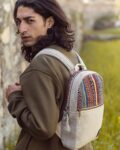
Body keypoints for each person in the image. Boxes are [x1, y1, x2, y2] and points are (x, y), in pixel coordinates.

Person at [5, 0, 93, 150]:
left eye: (30, 20)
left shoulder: (41, 66)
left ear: (50, 22)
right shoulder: (70, 55)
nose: (22, 28)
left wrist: (15, 98)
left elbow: (43, 128)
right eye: (18, 22)